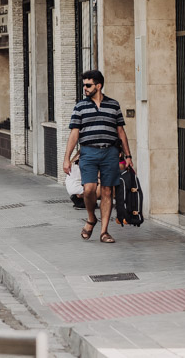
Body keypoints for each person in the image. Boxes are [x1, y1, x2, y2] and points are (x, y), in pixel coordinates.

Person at [63, 69, 133, 244]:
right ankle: (91, 218)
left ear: (98, 85)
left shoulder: (113, 105)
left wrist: (128, 155)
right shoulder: (80, 106)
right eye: (84, 85)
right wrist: (67, 158)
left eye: (88, 85)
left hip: (110, 152)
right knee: (88, 189)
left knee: (108, 191)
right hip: (88, 152)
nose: (85, 88)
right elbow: (74, 134)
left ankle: (104, 232)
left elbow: (121, 131)